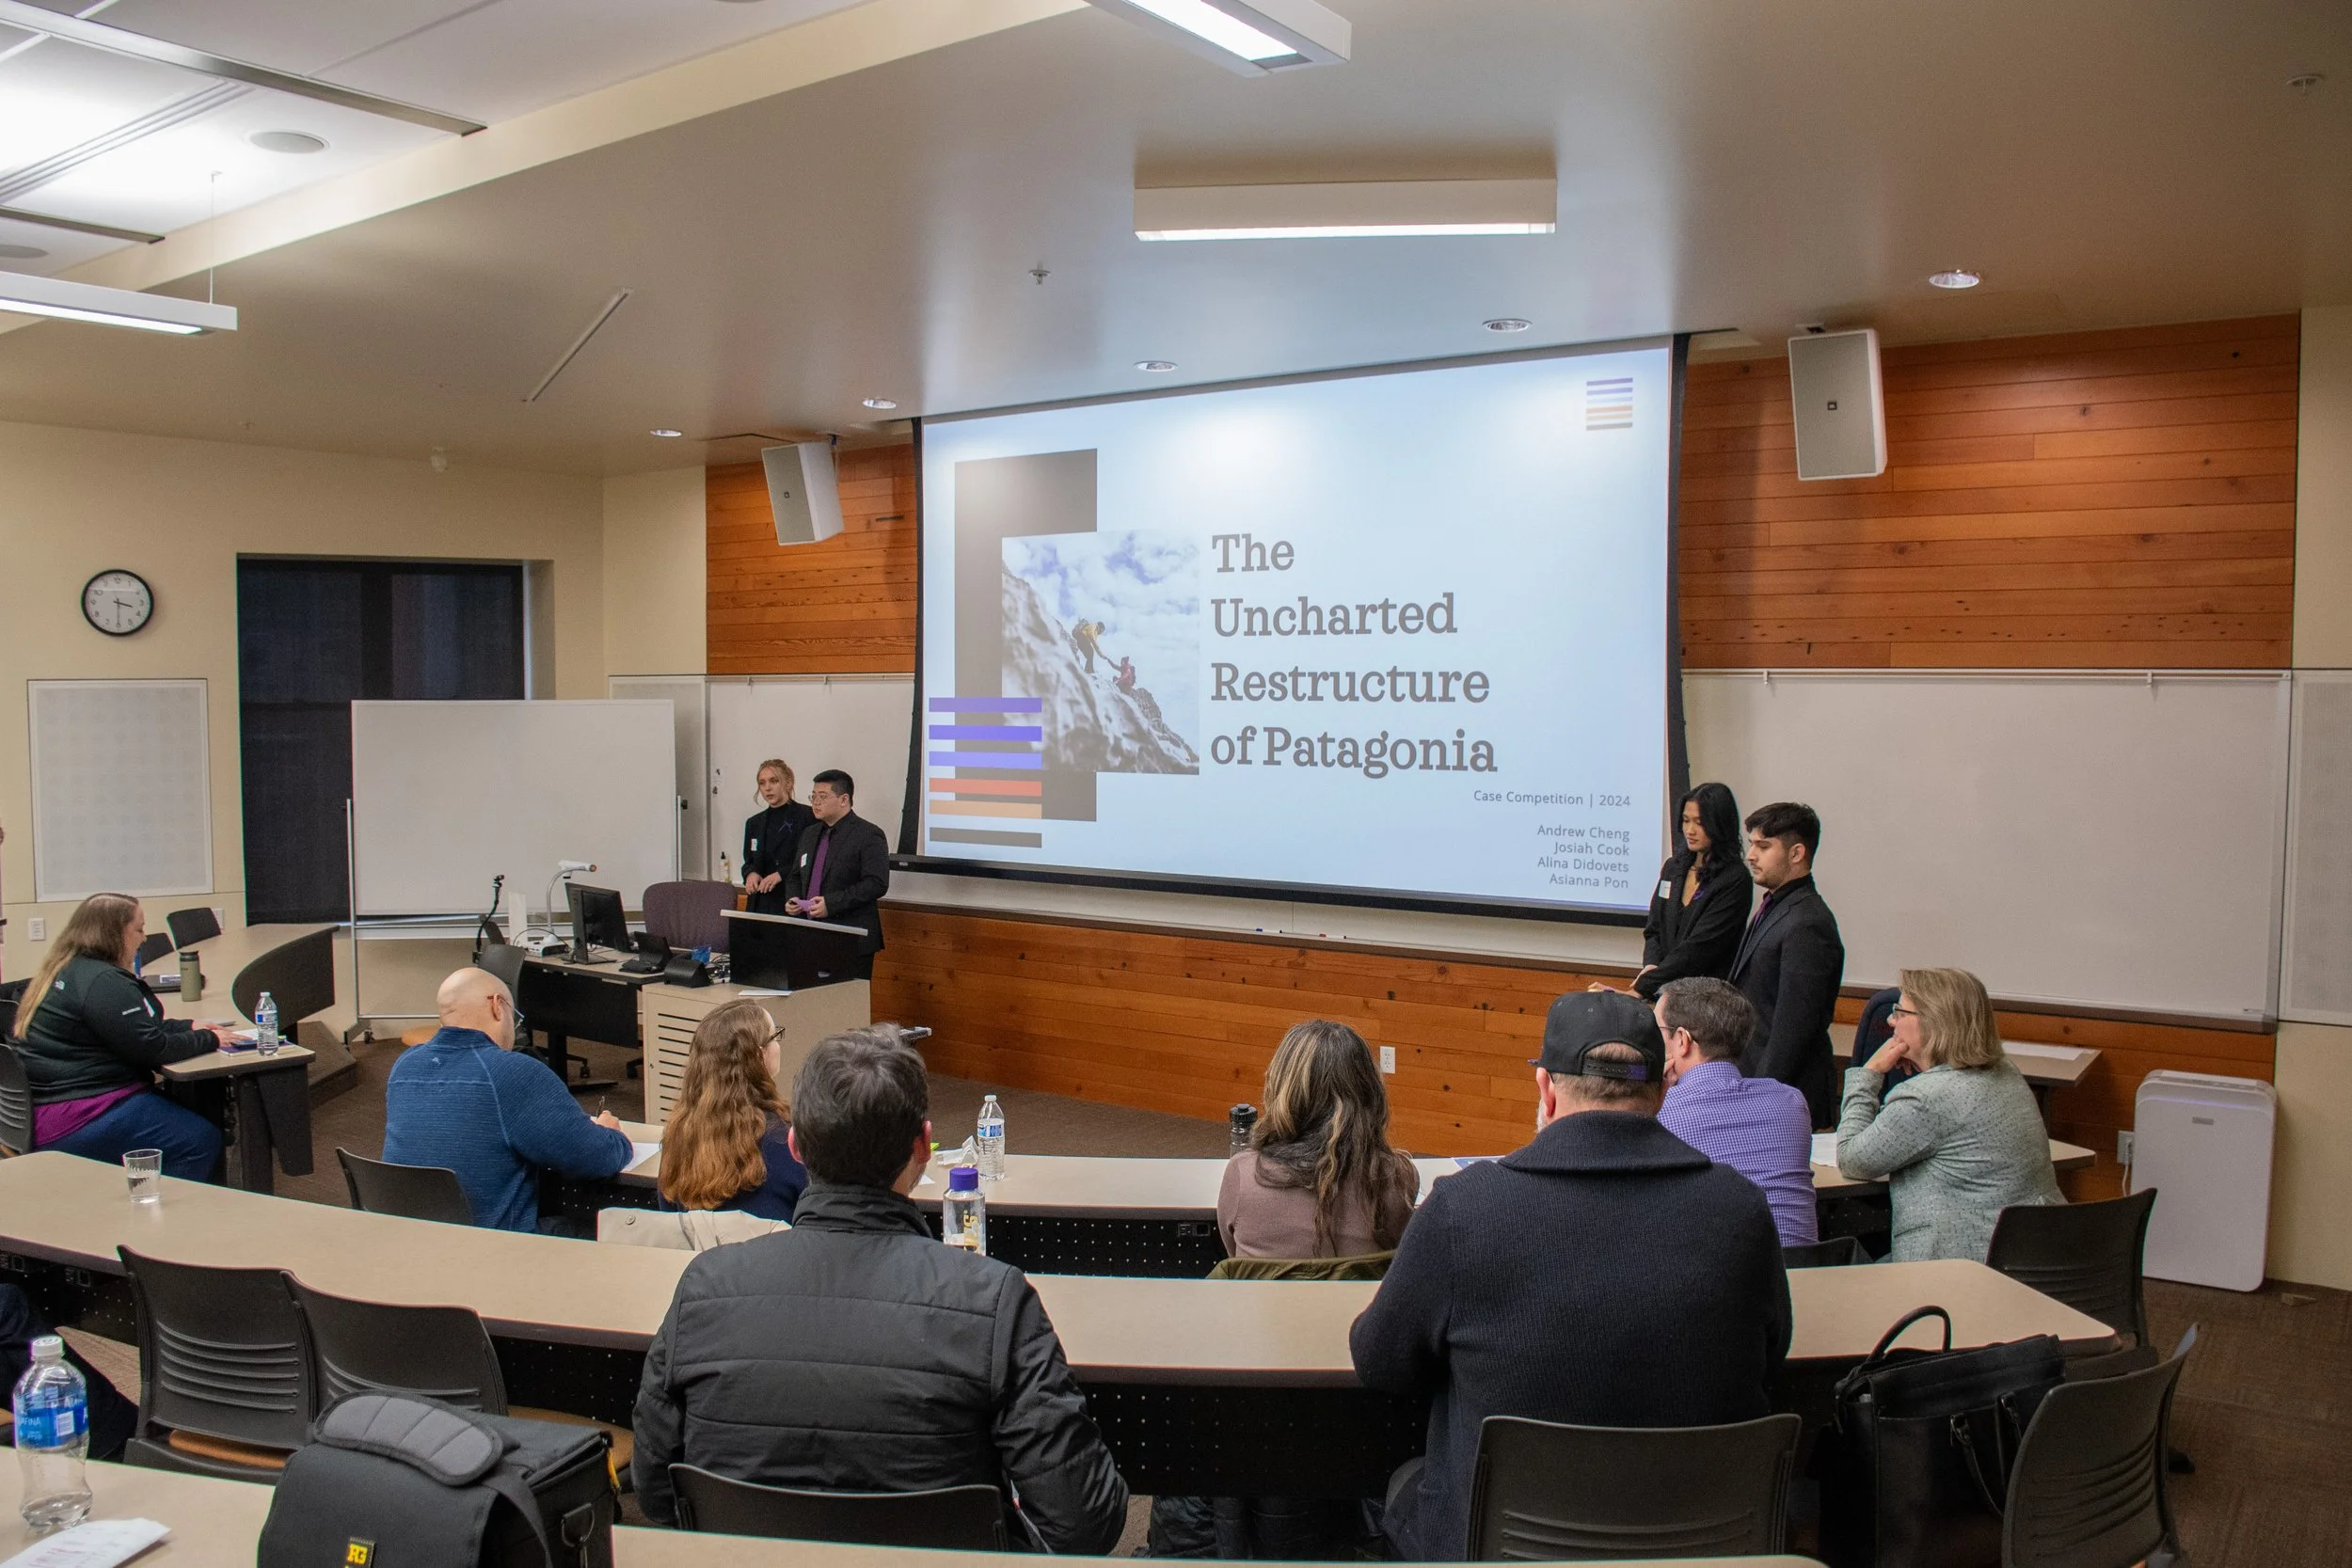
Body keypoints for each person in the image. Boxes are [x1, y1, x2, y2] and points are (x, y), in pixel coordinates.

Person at [631, 1026, 1128, 1550]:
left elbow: (658, 1492)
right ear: (922, 1146)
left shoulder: (703, 1288)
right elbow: (1082, 1523)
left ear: (795, 1145)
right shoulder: (994, 1299)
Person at [1349, 991, 1790, 1561]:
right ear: (1661, 1092)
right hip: (1696, 1546)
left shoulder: (1462, 1210)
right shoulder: (1742, 1210)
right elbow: (1771, 1353)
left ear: (1547, 1091)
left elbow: (1379, 1362)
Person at [1836, 968, 2063, 1261]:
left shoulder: (1925, 1098)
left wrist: (1868, 1074)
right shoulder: (2007, 1073)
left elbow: (1852, 1158)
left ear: (1933, 1024)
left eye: (1900, 1012)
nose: (1891, 1020)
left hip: (1957, 1273)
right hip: (2029, 1262)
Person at [383, 967, 632, 1232]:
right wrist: (609, 1134)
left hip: (411, 1245)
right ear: (497, 1006)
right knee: (610, 1229)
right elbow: (594, 1157)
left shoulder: (405, 1066)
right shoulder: (512, 1072)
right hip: (497, 1252)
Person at [10, 893, 233, 1180]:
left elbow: (135, 1029)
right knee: (199, 1140)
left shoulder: (68, 967)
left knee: (188, 1112)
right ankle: (165, 1220)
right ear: (114, 934)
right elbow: (154, 1050)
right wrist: (211, 1039)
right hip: (80, 1114)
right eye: (138, 929)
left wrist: (189, 1026)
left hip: (53, 1107)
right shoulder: (103, 981)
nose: (143, 939)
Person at [1219, 1020, 1419, 1259]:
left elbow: (1232, 1256)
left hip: (1267, 1298)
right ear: (1370, 1092)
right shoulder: (1400, 1179)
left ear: (1284, 1090)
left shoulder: (1242, 1175)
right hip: (1362, 1299)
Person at [1654, 977, 1818, 1246]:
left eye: (1656, 1029)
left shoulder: (1660, 1112)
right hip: (1803, 1275)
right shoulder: (1791, 1101)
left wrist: (1652, 1094)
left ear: (1682, 1040)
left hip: (1722, 1279)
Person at [1727, 801, 1846, 1128]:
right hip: (1758, 1083)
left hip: (1783, 1096)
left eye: (1763, 846)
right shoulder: (1776, 906)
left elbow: (1793, 1029)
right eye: (1751, 844)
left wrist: (1757, 1094)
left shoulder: (1808, 923)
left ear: (1796, 853)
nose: (1751, 855)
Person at [658, 999, 807, 1221]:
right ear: (759, 1056)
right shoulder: (784, 1140)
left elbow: (668, 1211)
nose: (778, 1045)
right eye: (774, 1036)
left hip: (699, 1254)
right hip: (773, 1253)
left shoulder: (677, 1136)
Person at [1632, 783, 1754, 999]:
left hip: (1706, 1001)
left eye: (1700, 823)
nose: (1690, 830)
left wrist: (1644, 985)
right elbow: (1654, 930)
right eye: (1686, 821)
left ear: (1720, 824)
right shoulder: (1673, 868)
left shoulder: (1735, 879)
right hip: (1665, 993)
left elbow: (1700, 949)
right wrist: (1651, 965)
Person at [784, 769, 891, 980]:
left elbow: (876, 883)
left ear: (844, 800)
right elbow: (795, 875)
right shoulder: (810, 833)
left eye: (822, 797)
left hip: (849, 938)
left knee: (844, 1007)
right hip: (809, 936)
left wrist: (831, 904)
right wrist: (792, 898)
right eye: (813, 796)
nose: (815, 802)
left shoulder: (868, 834)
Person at [740, 759, 815, 917]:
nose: (767, 788)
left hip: (790, 900)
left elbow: (809, 860)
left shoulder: (807, 817)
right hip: (759, 901)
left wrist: (781, 874)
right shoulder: (754, 823)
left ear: (788, 782)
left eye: (773, 781)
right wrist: (750, 873)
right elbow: (749, 861)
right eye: (762, 783)